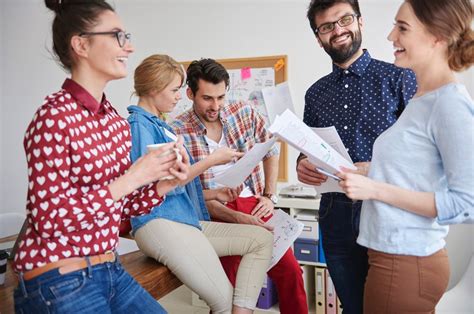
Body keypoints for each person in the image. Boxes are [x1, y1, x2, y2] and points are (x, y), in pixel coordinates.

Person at [12, 1, 191, 313]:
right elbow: (49, 219)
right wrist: (134, 177)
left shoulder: (113, 121)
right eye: (118, 36)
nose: (130, 47)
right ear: (81, 44)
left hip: (109, 268)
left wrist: (163, 182)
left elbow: (121, 207)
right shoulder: (53, 118)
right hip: (59, 278)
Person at [336, 0, 474, 312]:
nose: (390, 36)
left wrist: (376, 189)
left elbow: (467, 202)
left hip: (406, 261)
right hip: (393, 257)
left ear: (436, 36)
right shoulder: (421, 99)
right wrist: (371, 171)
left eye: (402, 27)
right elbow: (417, 169)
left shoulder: (449, 104)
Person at [127, 54, 274, 314]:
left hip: (183, 220)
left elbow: (178, 185)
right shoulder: (139, 125)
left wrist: (215, 193)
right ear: (153, 89)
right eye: (173, 90)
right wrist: (211, 160)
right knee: (222, 301)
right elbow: (156, 187)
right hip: (161, 222)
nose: (177, 96)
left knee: (261, 239)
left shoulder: (159, 125)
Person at [297, 0, 417, 313]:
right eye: (326, 27)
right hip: (335, 213)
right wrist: (303, 167)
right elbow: (307, 150)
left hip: (387, 208)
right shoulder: (315, 94)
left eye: (344, 19)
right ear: (318, 37)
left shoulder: (400, 78)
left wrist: (373, 170)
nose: (337, 31)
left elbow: (423, 156)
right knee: (353, 307)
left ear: (360, 22)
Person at [172, 58, 308, 314]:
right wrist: (235, 217)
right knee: (227, 288)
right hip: (214, 212)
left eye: (221, 97)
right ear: (190, 93)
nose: (216, 106)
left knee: (290, 271)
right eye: (207, 98)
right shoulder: (177, 131)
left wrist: (269, 195)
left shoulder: (242, 112)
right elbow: (185, 193)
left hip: (253, 203)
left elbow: (272, 148)